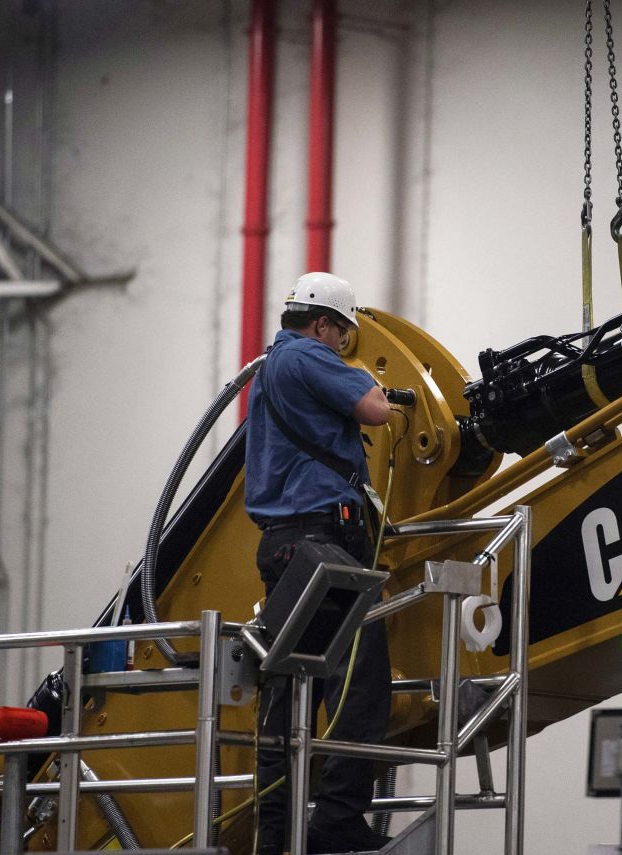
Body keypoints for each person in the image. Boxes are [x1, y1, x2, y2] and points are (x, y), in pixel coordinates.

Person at [245, 272, 393, 855]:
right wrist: (373, 385)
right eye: (343, 336)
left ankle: (276, 834)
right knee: (360, 676)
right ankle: (336, 821)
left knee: (288, 693)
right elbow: (375, 408)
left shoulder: (271, 367)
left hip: (288, 545)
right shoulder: (308, 355)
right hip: (323, 543)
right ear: (324, 324)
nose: (342, 345)